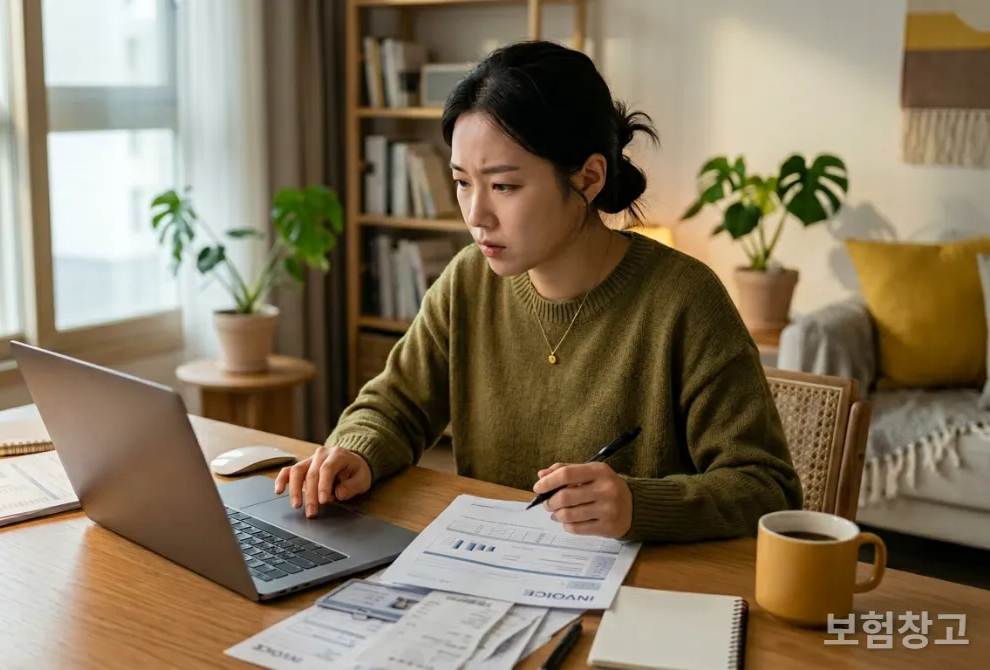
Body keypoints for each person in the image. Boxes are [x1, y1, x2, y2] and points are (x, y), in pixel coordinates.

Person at [275, 40, 803, 543]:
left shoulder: (684, 300)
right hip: (485, 574)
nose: (476, 215)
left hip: (637, 599)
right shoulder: (468, 280)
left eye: (504, 186)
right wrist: (356, 453)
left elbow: (766, 487)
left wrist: (638, 505)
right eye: (462, 182)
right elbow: (395, 407)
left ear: (589, 178)